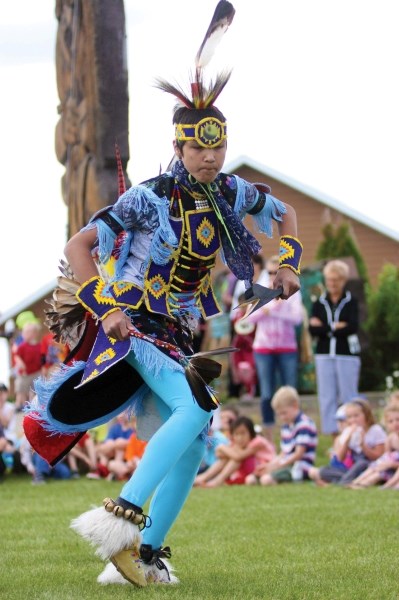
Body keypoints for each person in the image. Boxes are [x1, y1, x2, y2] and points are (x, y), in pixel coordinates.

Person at [24, 1, 302, 588]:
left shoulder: (230, 193)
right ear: (178, 146)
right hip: (134, 322)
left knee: (196, 442)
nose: (210, 156)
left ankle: (142, 558)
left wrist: (287, 263)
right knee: (199, 408)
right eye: (199, 148)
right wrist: (111, 308)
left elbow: (287, 215)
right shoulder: (146, 198)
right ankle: (121, 515)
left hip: (175, 331)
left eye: (218, 146)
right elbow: (80, 248)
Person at [242, 255, 304, 440]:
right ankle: (268, 433)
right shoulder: (261, 290)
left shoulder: (293, 292)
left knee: (290, 390)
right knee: (267, 393)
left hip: (287, 348)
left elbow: (297, 318)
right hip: (264, 348)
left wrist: (274, 310)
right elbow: (248, 317)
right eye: (269, 272)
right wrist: (266, 306)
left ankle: (295, 429)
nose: (272, 276)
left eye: (276, 272)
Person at [309, 260, 361, 435]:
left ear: (343, 280)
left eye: (336, 280)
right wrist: (335, 327)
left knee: (349, 396)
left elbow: (352, 327)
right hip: (324, 354)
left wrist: (325, 327)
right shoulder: (318, 303)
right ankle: (334, 435)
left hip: (346, 354)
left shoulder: (351, 301)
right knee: (327, 396)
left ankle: (353, 433)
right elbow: (312, 329)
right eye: (329, 280)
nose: (332, 284)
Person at [254, 386, 317, 485]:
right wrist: (270, 464)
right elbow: (284, 453)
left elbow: (298, 454)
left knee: (266, 480)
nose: (282, 417)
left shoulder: (304, 424)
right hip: (287, 464)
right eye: (279, 414)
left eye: (284, 413)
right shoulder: (286, 426)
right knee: (254, 477)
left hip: (299, 466)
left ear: (295, 405)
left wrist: (278, 466)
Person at [313, 398, 386, 485]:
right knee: (323, 471)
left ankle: (344, 481)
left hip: (369, 465)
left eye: (356, 416)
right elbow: (339, 459)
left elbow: (378, 456)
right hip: (352, 468)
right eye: (349, 417)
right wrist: (347, 440)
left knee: (361, 463)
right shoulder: (348, 431)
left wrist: (363, 444)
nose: (353, 420)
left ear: (366, 415)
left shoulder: (375, 430)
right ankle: (348, 480)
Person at [194, 416, 275, 487]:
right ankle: (203, 478)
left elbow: (238, 457)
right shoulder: (237, 444)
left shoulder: (257, 442)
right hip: (249, 472)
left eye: (243, 433)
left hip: (264, 469)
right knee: (230, 456)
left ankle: (216, 481)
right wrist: (223, 450)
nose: (240, 438)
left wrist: (222, 448)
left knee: (236, 458)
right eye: (236, 434)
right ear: (233, 435)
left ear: (251, 433)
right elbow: (219, 454)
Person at [348, 402, 399, 489]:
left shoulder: (376, 430)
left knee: (379, 470)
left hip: (394, 467)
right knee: (376, 467)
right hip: (388, 467)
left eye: (398, 419)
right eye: (391, 421)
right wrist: (383, 464)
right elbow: (386, 456)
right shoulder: (390, 438)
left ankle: (382, 486)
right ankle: (357, 482)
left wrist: (390, 464)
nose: (395, 423)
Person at [308, 404, 353, 486]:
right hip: (337, 469)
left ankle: (333, 481)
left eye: (342, 420)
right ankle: (327, 481)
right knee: (312, 471)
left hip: (347, 469)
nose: (340, 424)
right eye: (338, 421)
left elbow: (341, 458)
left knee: (321, 472)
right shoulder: (338, 439)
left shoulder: (352, 437)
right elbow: (334, 461)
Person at [14, 321, 42, 410]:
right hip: (24, 373)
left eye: (27, 332)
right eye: (24, 332)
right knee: (21, 389)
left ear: (34, 334)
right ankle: (19, 404)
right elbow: (17, 356)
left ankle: (32, 404)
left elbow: (41, 358)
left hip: (36, 371)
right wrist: (20, 363)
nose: (24, 334)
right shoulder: (22, 346)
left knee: (34, 389)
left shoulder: (38, 346)